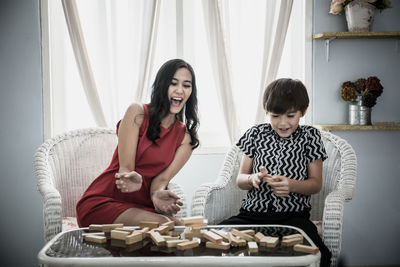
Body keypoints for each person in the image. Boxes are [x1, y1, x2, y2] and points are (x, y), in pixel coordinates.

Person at [220, 78, 331, 266]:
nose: (283, 123)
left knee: (321, 256)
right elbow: (240, 179)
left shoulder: (310, 137)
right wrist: (252, 178)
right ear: (267, 112)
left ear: (302, 112)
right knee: (215, 239)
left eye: (290, 115)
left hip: (293, 218)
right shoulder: (255, 134)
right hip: (251, 215)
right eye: (275, 116)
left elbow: (316, 184)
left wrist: (292, 185)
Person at [76, 59, 199, 227]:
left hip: (143, 207)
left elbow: (162, 178)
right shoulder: (137, 113)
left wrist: (156, 194)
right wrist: (128, 177)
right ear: (162, 85)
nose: (180, 90)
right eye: (173, 83)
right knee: (164, 224)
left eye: (186, 85)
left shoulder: (187, 138)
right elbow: (126, 168)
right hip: (104, 201)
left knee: (179, 227)